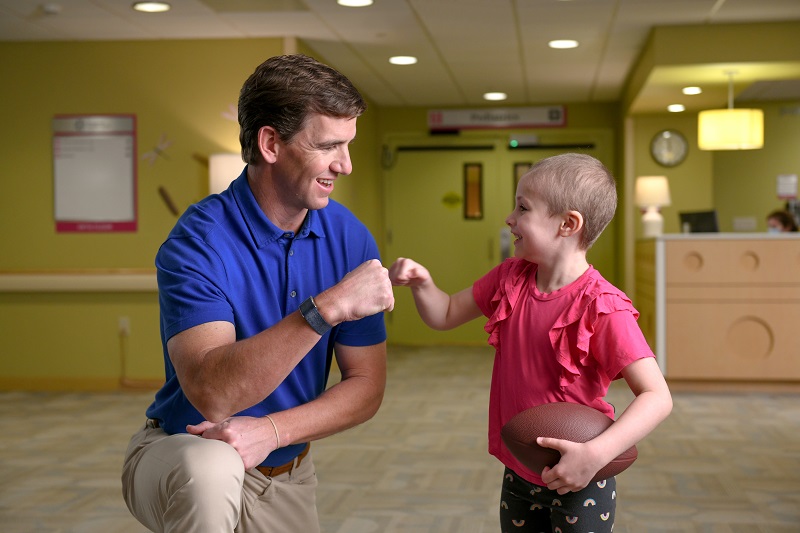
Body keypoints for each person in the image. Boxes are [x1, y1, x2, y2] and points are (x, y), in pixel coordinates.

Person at [121, 54, 394, 533]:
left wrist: (271, 431)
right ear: (270, 143)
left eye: (347, 145)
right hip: (178, 455)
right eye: (329, 145)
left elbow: (366, 388)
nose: (345, 165)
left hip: (283, 474)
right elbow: (213, 395)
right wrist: (325, 308)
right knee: (213, 465)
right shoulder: (198, 242)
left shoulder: (351, 239)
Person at [389, 153, 672, 533]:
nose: (509, 218)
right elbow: (444, 315)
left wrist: (594, 455)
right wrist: (423, 284)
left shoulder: (601, 306)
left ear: (568, 224)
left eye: (523, 208)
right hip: (520, 470)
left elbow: (658, 397)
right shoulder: (510, 278)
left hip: (580, 478)